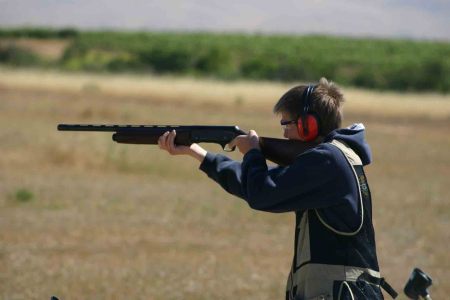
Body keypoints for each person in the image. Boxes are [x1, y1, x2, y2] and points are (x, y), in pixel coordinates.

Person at [158, 78, 396, 300]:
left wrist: (253, 152)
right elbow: (256, 185)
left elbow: (262, 194)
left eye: (287, 124)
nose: (283, 133)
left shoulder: (328, 160)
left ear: (308, 125)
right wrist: (196, 152)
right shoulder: (333, 159)